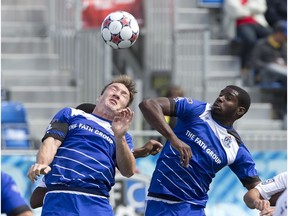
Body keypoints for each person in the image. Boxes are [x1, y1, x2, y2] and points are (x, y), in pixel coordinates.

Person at [26, 75, 155, 215]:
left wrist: (119, 137)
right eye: (114, 89)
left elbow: (128, 171)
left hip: (96, 201)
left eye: (124, 95)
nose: (117, 94)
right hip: (60, 197)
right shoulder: (71, 114)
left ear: (124, 108)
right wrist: (42, 163)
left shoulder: (124, 137)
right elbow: (51, 142)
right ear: (99, 97)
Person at [139, 85, 261, 215]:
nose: (220, 98)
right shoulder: (197, 109)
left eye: (228, 98)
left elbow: (257, 188)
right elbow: (148, 104)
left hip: (191, 207)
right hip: (157, 201)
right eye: (221, 94)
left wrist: (267, 204)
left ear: (240, 111)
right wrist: (173, 139)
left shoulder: (236, 148)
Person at [222, 0, 272, 70]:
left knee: (272, 36)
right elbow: (235, 12)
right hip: (240, 24)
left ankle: (267, 62)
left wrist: (243, 8)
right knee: (250, 39)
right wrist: (251, 10)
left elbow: (262, 8)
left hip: (257, 23)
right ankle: (244, 65)